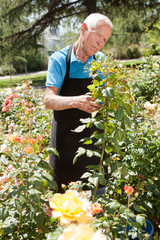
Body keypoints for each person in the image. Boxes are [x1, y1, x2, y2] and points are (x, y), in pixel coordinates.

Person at [44, 13, 112, 192]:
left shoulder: (102, 62)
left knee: (97, 204)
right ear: (83, 29)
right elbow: (49, 100)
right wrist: (77, 101)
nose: (100, 43)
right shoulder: (60, 60)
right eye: (98, 35)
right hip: (64, 147)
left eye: (104, 40)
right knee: (64, 206)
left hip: (94, 146)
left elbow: (110, 99)